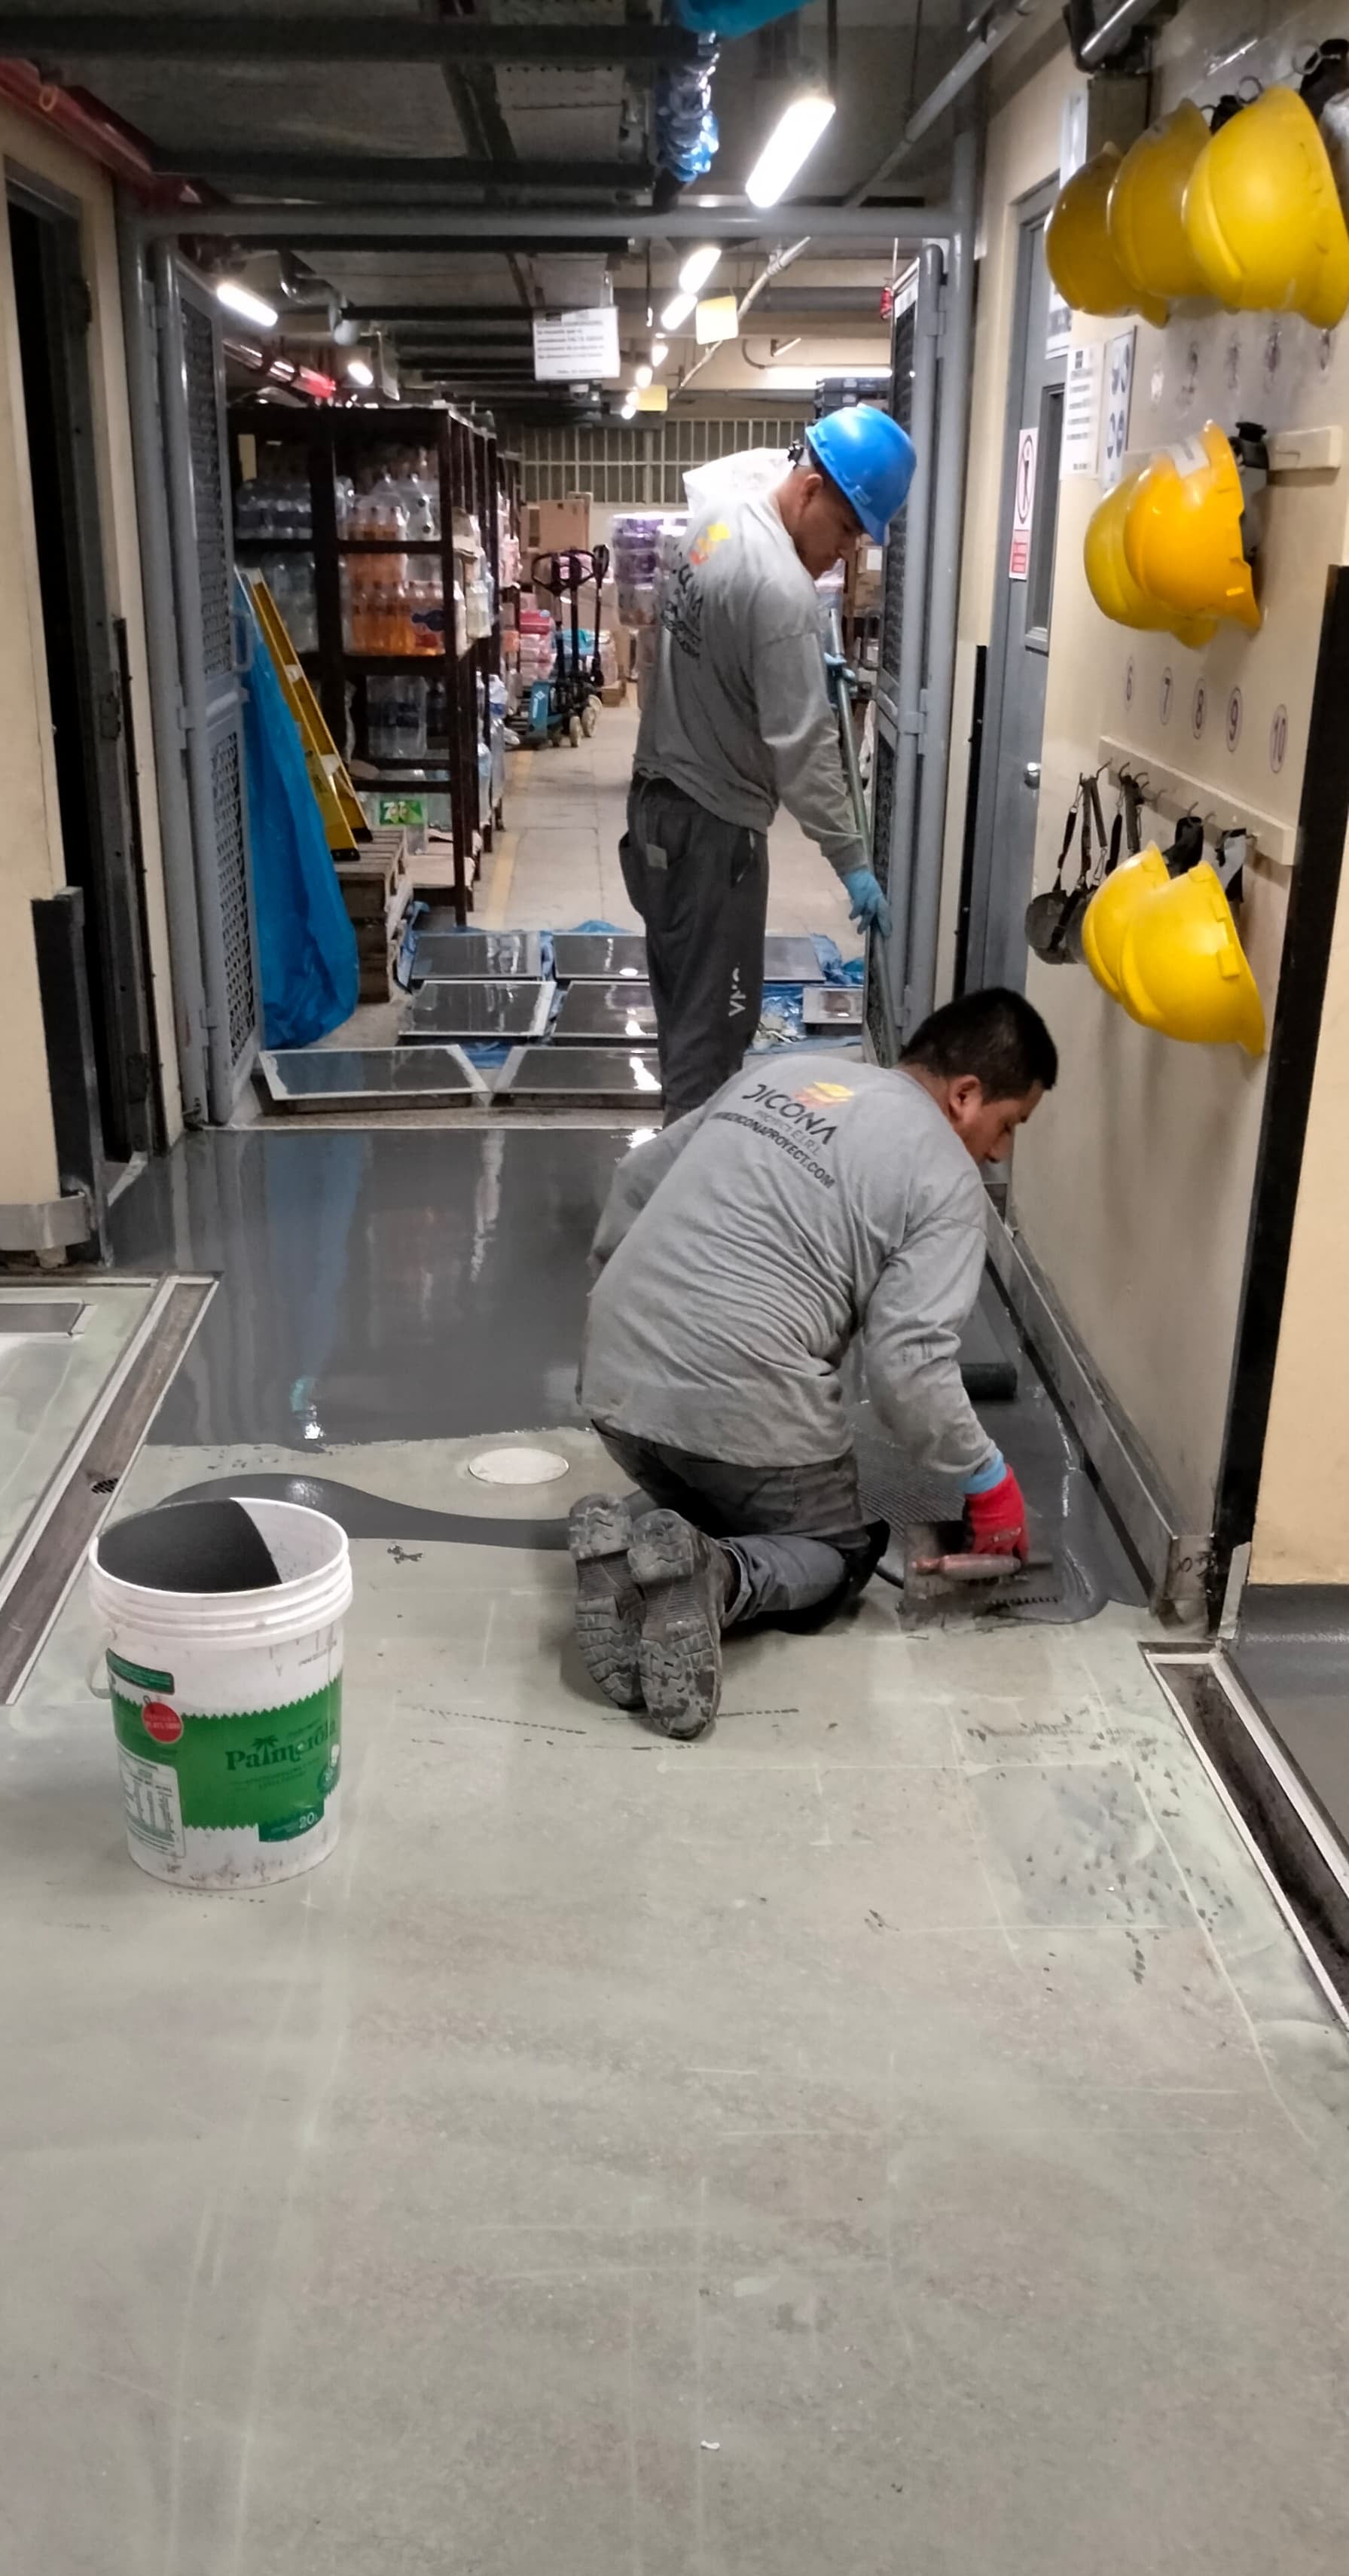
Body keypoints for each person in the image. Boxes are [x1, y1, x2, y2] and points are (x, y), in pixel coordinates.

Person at [569, 987, 1058, 1741]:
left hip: (613, 1392)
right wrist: (984, 1477)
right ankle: (712, 1577)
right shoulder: (947, 1179)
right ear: (965, 1096)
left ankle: (629, 1554)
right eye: (1008, 1125)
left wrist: (627, 1320)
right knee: (836, 1551)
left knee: (716, 1493)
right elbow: (908, 1368)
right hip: (737, 1397)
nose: (998, 1153)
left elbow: (635, 1180)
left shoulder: (789, 1074)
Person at [622, 407, 916, 1122]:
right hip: (713, 835)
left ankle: (677, 1164)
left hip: (657, 808)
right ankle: (690, 1188)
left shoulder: (717, 518)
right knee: (713, 1042)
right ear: (810, 489)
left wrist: (793, 662)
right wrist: (851, 859)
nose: (844, 553)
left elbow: (710, 642)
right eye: (844, 529)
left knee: (683, 1015)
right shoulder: (783, 591)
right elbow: (804, 747)